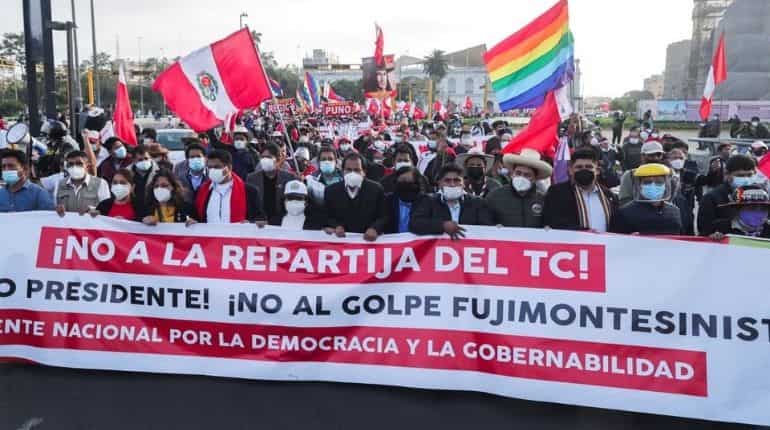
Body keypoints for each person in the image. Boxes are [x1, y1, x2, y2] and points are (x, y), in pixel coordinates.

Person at [543, 149, 618, 231]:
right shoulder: (557, 193)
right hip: (572, 243)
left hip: (605, 242)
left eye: (589, 167)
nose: (584, 170)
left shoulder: (609, 196)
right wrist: (583, 232)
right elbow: (553, 223)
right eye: (579, 167)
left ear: (597, 170)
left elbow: (616, 226)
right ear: (570, 170)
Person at [410, 164, 492, 239]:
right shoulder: (428, 201)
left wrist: (497, 230)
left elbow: (486, 228)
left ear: (463, 183)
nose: (452, 184)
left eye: (456, 180)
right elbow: (415, 224)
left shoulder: (477, 203)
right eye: (447, 180)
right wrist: (442, 226)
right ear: (440, 183)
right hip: (438, 252)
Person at [322, 153, 386, 241]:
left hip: (369, 242)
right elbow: (327, 216)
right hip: (341, 242)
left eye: (356, 170)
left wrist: (375, 228)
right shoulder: (331, 191)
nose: (352, 173)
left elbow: (383, 216)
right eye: (348, 169)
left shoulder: (376, 189)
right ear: (342, 171)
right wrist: (336, 226)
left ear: (364, 172)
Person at [486, 149, 552, 228]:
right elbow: (485, 223)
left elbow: (548, 223)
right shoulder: (495, 196)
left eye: (527, 175)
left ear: (535, 178)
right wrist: (493, 227)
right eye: (518, 173)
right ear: (512, 173)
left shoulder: (543, 200)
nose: (521, 177)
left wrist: (547, 228)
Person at [195, 150, 264, 224]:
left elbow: (260, 218)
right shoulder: (202, 191)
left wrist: (250, 223)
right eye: (210, 167)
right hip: (209, 234)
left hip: (238, 234)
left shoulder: (249, 191)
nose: (212, 170)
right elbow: (197, 217)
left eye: (217, 167)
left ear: (229, 167)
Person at [610, 164, 682, 235]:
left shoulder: (675, 212)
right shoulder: (624, 214)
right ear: (640, 186)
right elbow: (615, 242)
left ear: (666, 185)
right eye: (647, 182)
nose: (653, 186)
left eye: (659, 182)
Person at [698, 155, 757, 238]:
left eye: (749, 175)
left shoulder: (760, 196)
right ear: (727, 174)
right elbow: (704, 232)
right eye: (740, 176)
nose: (746, 179)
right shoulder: (711, 198)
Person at [246, 143, 296, 225]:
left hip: (281, 224)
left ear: (278, 159)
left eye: (268, 157)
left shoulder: (289, 178)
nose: (265, 160)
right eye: (262, 157)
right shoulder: (252, 178)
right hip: (258, 224)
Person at [54, 150, 111, 215]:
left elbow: (106, 210)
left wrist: (94, 211)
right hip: (66, 224)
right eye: (71, 164)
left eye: (79, 163)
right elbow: (55, 208)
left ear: (87, 166)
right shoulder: (59, 184)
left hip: (91, 224)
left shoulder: (101, 183)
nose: (74, 166)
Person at [618, 141, 665, 206]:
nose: (655, 158)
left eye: (658, 155)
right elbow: (624, 200)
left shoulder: (668, 174)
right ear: (642, 156)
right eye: (651, 155)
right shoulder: (630, 175)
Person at [383, 166, 425, 234]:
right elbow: (382, 220)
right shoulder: (388, 200)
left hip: (417, 242)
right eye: (402, 180)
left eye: (408, 180)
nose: (405, 183)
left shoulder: (426, 201)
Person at [667, 148, 694, 235]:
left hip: (686, 211)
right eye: (675, 158)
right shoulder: (664, 175)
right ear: (668, 160)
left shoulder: (689, 175)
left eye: (681, 158)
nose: (678, 160)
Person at [131, 145, 159, 217]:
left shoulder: (159, 172)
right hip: (134, 210)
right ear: (134, 160)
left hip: (154, 210)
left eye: (146, 158)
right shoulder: (127, 173)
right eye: (140, 160)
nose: (144, 161)